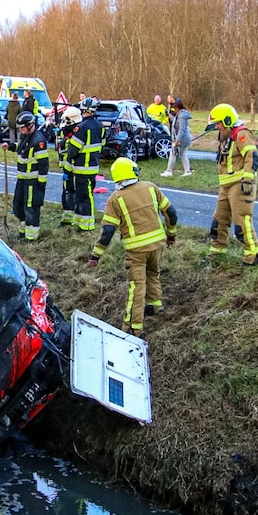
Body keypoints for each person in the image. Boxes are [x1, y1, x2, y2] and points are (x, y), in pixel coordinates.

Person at [86, 157, 177, 337]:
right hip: (158, 244)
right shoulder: (150, 187)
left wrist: (96, 256)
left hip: (136, 251)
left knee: (136, 286)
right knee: (153, 273)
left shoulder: (115, 199)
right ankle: (155, 306)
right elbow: (171, 213)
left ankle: (133, 327)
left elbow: (107, 232)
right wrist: (171, 235)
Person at [204, 103, 258, 266]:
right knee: (219, 221)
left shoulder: (241, 134)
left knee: (242, 222)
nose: (217, 127)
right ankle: (216, 254)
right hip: (226, 186)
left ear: (228, 121)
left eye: (218, 123)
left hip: (240, 185)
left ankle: (254, 256)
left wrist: (247, 180)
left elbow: (252, 157)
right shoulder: (226, 137)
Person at [2, 111, 49, 241]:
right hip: (22, 179)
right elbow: (20, 147)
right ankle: (23, 232)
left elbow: (43, 165)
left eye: (22, 128)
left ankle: (31, 237)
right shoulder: (25, 136)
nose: (21, 131)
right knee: (18, 205)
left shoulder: (38, 141)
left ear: (30, 125)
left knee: (31, 208)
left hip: (33, 182)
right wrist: (10, 146)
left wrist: (41, 184)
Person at [66, 97, 106, 231]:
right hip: (93, 167)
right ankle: (79, 221)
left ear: (83, 110)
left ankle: (87, 226)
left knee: (84, 197)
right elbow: (103, 144)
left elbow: (73, 150)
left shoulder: (81, 128)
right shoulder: (100, 127)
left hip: (81, 168)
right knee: (83, 196)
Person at [58, 105, 83, 226]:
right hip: (66, 168)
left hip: (73, 169)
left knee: (72, 192)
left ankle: (73, 217)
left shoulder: (77, 133)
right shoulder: (67, 133)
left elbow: (71, 153)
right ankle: (67, 217)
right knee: (66, 191)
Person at [162, 97, 192, 177]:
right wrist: (169, 115)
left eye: (175, 109)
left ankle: (169, 171)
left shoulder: (182, 116)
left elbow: (182, 129)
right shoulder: (181, 114)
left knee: (173, 153)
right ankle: (187, 171)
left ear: (178, 108)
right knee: (182, 154)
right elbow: (175, 120)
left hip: (183, 139)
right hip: (185, 138)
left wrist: (177, 141)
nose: (174, 110)